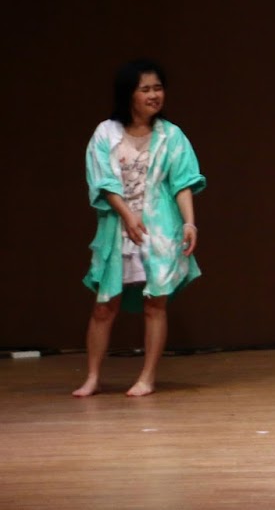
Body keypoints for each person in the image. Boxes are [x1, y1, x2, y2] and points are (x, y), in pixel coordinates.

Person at [73, 59, 205, 398]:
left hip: (159, 231)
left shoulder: (171, 135)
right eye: (145, 89)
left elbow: (182, 183)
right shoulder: (106, 133)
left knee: (155, 304)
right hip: (118, 229)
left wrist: (189, 222)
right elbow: (103, 180)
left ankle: (147, 377)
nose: (153, 95)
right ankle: (93, 377)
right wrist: (127, 216)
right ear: (128, 94)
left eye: (158, 88)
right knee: (105, 305)